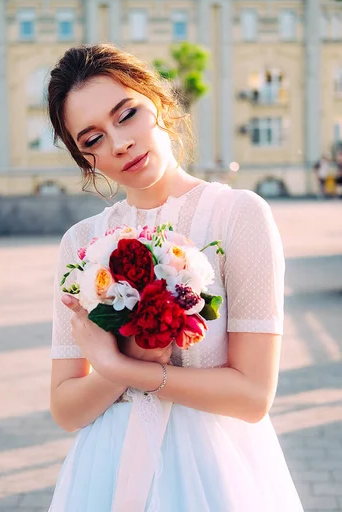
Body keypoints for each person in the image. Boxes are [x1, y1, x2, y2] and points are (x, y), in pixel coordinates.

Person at [47, 44, 304, 511]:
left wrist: (123, 367)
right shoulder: (82, 244)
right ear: (86, 161)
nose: (118, 142)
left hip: (217, 467)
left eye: (126, 115)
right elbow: (65, 409)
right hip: (108, 466)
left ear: (159, 102)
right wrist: (113, 372)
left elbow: (252, 396)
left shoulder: (238, 216)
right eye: (92, 140)